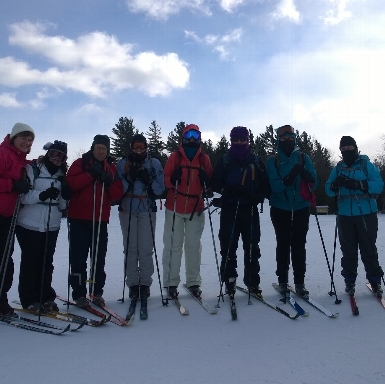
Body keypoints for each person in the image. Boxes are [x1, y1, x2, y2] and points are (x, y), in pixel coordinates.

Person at [211, 126, 270, 295]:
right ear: (231, 140)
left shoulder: (255, 160)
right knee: (228, 246)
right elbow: (214, 181)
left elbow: (266, 184)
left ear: (247, 140)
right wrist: (226, 190)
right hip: (229, 208)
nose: (239, 142)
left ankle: (252, 281)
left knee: (252, 247)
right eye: (235, 140)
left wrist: (257, 196)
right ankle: (229, 279)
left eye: (242, 139)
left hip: (249, 209)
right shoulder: (225, 160)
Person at [67, 135, 122, 307]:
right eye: (98, 147)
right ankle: (79, 294)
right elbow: (71, 185)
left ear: (107, 151)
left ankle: (96, 292)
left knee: (98, 259)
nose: (100, 151)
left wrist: (109, 182)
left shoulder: (111, 168)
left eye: (104, 149)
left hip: (100, 220)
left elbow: (117, 194)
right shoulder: (80, 163)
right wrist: (90, 175)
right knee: (78, 259)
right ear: (93, 148)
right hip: (78, 220)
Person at [16, 141, 72, 311]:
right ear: (48, 153)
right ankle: (29, 298)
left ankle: (46, 296)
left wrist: (66, 194)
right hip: (28, 223)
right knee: (31, 260)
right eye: (54, 154)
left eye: (61, 157)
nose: (57, 159)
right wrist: (43, 194)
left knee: (47, 261)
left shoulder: (62, 175)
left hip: (51, 224)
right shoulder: (33, 169)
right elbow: (23, 197)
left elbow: (62, 206)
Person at [325, 136, 384, 296]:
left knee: (369, 249)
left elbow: (379, 185)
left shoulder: (366, 165)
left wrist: (360, 185)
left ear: (356, 148)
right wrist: (335, 184)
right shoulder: (338, 168)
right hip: (344, 215)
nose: (346, 152)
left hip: (366, 213)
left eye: (349, 149)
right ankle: (349, 281)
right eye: (343, 150)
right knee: (348, 250)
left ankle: (375, 280)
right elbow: (328, 190)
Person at [266, 124, 318, 297]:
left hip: (301, 208)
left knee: (298, 245)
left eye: (290, 138)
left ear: (294, 139)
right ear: (278, 141)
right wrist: (289, 179)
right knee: (282, 244)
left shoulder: (303, 158)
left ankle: (299, 282)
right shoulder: (273, 160)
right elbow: (274, 186)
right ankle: (282, 281)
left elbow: (315, 182)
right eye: (283, 139)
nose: (287, 141)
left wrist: (304, 174)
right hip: (280, 208)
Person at [162, 124, 213, 298]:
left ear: (199, 138)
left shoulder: (204, 159)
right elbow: (165, 180)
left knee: (193, 247)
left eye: (195, 135)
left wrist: (207, 181)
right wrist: (172, 179)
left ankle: (193, 282)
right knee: (173, 246)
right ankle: (170, 282)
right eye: (188, 135)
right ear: (183, 137)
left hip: (195, 209)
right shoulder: (175, 157)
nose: (192, 139)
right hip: (175, 207)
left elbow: (211, 183)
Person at [117, 134, 165, 301]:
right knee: (130, 249)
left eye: (141, 147)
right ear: (131, 147)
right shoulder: (123, 163)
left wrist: (148, 180)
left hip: (147, 208)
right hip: (127, 209)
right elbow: (116, 189)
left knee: (145, 249)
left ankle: (144, 284)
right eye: (135, 147)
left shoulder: (154, 163)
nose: (138, 150)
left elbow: (160, 189)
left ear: (145, 147)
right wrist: (129, 179)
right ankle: (132, 284)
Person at [0, 123, 34, 315]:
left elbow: (24, 166)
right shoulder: (3, 153)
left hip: (8, 216)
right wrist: (12, 185)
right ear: (14, 137)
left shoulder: (20, 159)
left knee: (6, 259)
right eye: (24, 138)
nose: (27, 143)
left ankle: (1, 298)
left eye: (30, 141)